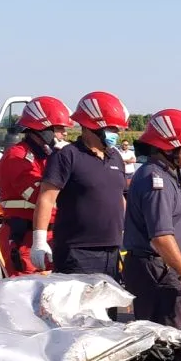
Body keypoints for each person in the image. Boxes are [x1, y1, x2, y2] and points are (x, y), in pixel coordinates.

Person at [31, 92, 130, 280]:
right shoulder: (67, 156)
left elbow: (120, 197)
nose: (115, 133)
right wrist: (39, 240)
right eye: (111, 128)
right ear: (92, 126)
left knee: (107, 309)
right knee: (80, 310)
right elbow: (46, 198)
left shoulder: (115, 157)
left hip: (111, 250)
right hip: (77, 252)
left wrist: (126, 232)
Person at [121, 109, 181, 330]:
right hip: (157, 270)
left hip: (159, 266)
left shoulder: (164, 175)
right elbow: (161, 237)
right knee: (168, 337)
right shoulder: (155, 180)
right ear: (169, 147)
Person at [0, 96, 71, 275]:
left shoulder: (45, 155)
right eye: (60, 128)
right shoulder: (18, 157)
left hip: (49, 235)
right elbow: (41, 194)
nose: (65, 133)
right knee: (28, 295)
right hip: (26, 238)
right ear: (43, 129)